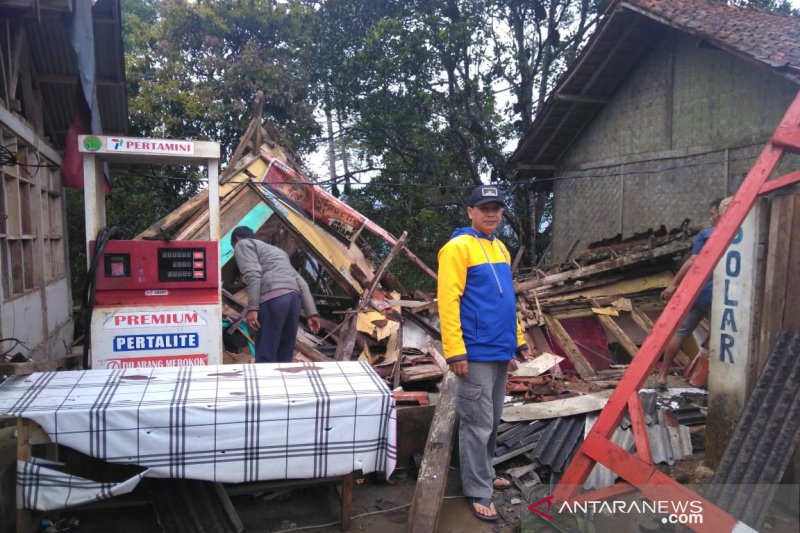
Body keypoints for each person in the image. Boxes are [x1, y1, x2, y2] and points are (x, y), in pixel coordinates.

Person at [437, 185, 532, 522]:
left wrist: (517, 339)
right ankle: (478, 489)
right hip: (474, 352)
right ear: (470, 211)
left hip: (499, 348)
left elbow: (507, 301)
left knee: (490, 421)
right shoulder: (456, 249)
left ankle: (485, 474)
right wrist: (455, 352)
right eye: (484, 208)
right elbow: (447, 303)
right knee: (476, 423)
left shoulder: (501, 248)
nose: (492, 214)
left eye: (497, 208)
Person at [656, 197, 724, 390]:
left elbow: (693, 259)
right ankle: (711, 378)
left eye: (713, 214)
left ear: (722, 212)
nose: (711, 218)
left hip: (700, 294)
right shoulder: (737, 235)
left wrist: (674, 284)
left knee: (680, 333)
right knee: (720, 336)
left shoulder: (707, 235)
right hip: (720, 298)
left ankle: (662, 377)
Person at [231, 226, 321, 363]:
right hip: (294, 300)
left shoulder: (242, 244)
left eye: (233, 246)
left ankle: (264, 384)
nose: (234, 250)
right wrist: (311, 313)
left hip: (274, 299)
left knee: (266, 354)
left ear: (236, 239)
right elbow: (302, 282)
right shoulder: (277, 252)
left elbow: (253, 275)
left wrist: (252, 308)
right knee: (284, 355)